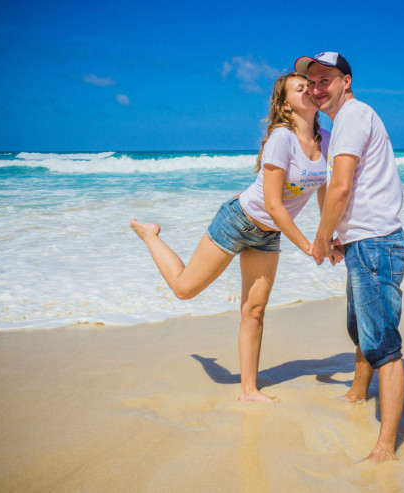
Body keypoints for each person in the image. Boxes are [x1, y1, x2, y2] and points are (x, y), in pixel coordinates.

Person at [130, 72, 332, 402]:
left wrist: (328, 234)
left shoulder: (326, 138)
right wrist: (310, 246)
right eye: (300, 88)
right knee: (184, 289)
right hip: (238, 221)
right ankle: (151, 235)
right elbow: (273, 205)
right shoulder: (281, 138)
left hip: (268, 235)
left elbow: (324, 188)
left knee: (255, 311)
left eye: (310, 85)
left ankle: (248, 390)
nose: (309, 89)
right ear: (286, 104)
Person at [295, 52, 404, 463]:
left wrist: (322, 238)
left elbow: (341, 187)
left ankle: (385, 448)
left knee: (383, 346)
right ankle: (359, 392)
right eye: (311, 82)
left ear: (346, 81)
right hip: (366, 241)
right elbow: (354, 188)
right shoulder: (350, 118)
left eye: (325, 79)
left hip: (375, 243)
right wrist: (341, 236)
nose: (316, 88)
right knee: (360, 327)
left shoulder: (351, 116)